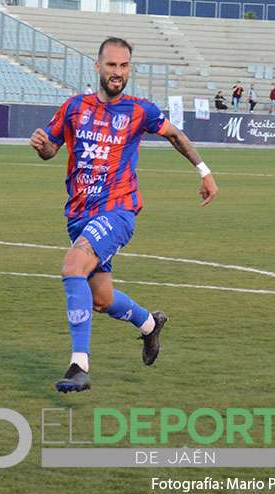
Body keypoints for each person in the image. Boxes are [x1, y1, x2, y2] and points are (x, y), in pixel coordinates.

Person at [28, 37, 218, 393]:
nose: (118, 72)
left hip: (118, 210)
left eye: (124, 66)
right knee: (100, 298)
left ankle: (78, 365)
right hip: (79, 215)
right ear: (98, 67)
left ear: (130, 69)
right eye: (112, 65)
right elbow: (52, 150)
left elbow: (176, 135)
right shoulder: (74, 107)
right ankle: (149, 324)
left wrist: (204, 171)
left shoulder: (139, 110)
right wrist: (42, 145)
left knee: (73, 266)